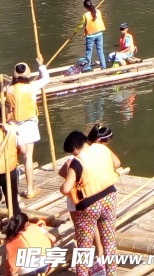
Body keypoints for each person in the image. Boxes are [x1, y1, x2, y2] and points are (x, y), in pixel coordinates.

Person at [59, 129, 120, 276]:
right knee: (109, 242)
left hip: (88, 205)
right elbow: (117, 163)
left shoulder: (77, 162)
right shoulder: (102, 148)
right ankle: (111, 273)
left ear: (76, 147)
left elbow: (66, 188)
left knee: (84, 248)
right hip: (109, 197)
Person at [6, 55, 49, 199]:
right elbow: (46, 79)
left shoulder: (8, 88)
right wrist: (41, 65)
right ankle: (30, 190)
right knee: (28, 157)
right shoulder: (32, 86)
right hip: (29, 124)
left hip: (12, 126)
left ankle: (13, 193)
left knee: (13, 158)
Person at [4, 212, 56, 276]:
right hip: (44, 264)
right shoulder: (36, 228)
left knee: (13, 265)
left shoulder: (12, 239)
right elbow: (53, 239)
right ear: (27, 223)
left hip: (26, 270)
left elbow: (9, 262)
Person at [0, 117, 21, 214]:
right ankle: (16, 225)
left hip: (9, 169)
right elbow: (23, 149)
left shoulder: (12, 128)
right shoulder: (13, 129)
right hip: (9, 169)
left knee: (13, 202)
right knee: (13, 203)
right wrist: (7, 135)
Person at [81, 0, 107, 72]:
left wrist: (75, 31)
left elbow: (81, 25)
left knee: (89, 52)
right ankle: (103, 67)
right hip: (99, 34)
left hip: (90, 36)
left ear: (85, 7)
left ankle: (88, 68)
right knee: (100, 51)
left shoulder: (85, 15)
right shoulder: (98, 11)